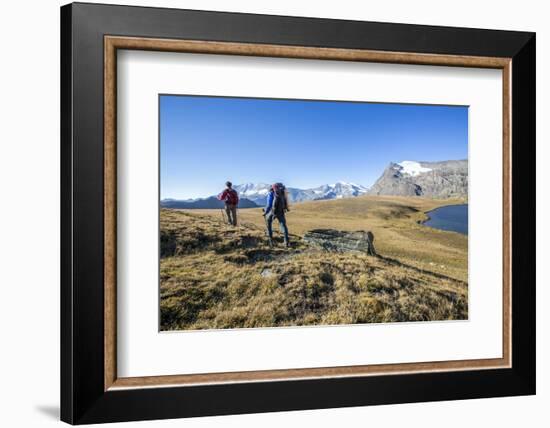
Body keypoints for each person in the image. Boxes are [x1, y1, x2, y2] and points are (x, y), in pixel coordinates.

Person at [264, 182, 290, 247]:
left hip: (273, 211)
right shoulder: (283, 192)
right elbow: (286, 201)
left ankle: (270, 239)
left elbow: (269, 204)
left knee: (268, 222)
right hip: (281, 211)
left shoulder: (271, 193)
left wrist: (266, 212)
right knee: (283, 225)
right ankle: (286, 241)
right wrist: (286, 208)